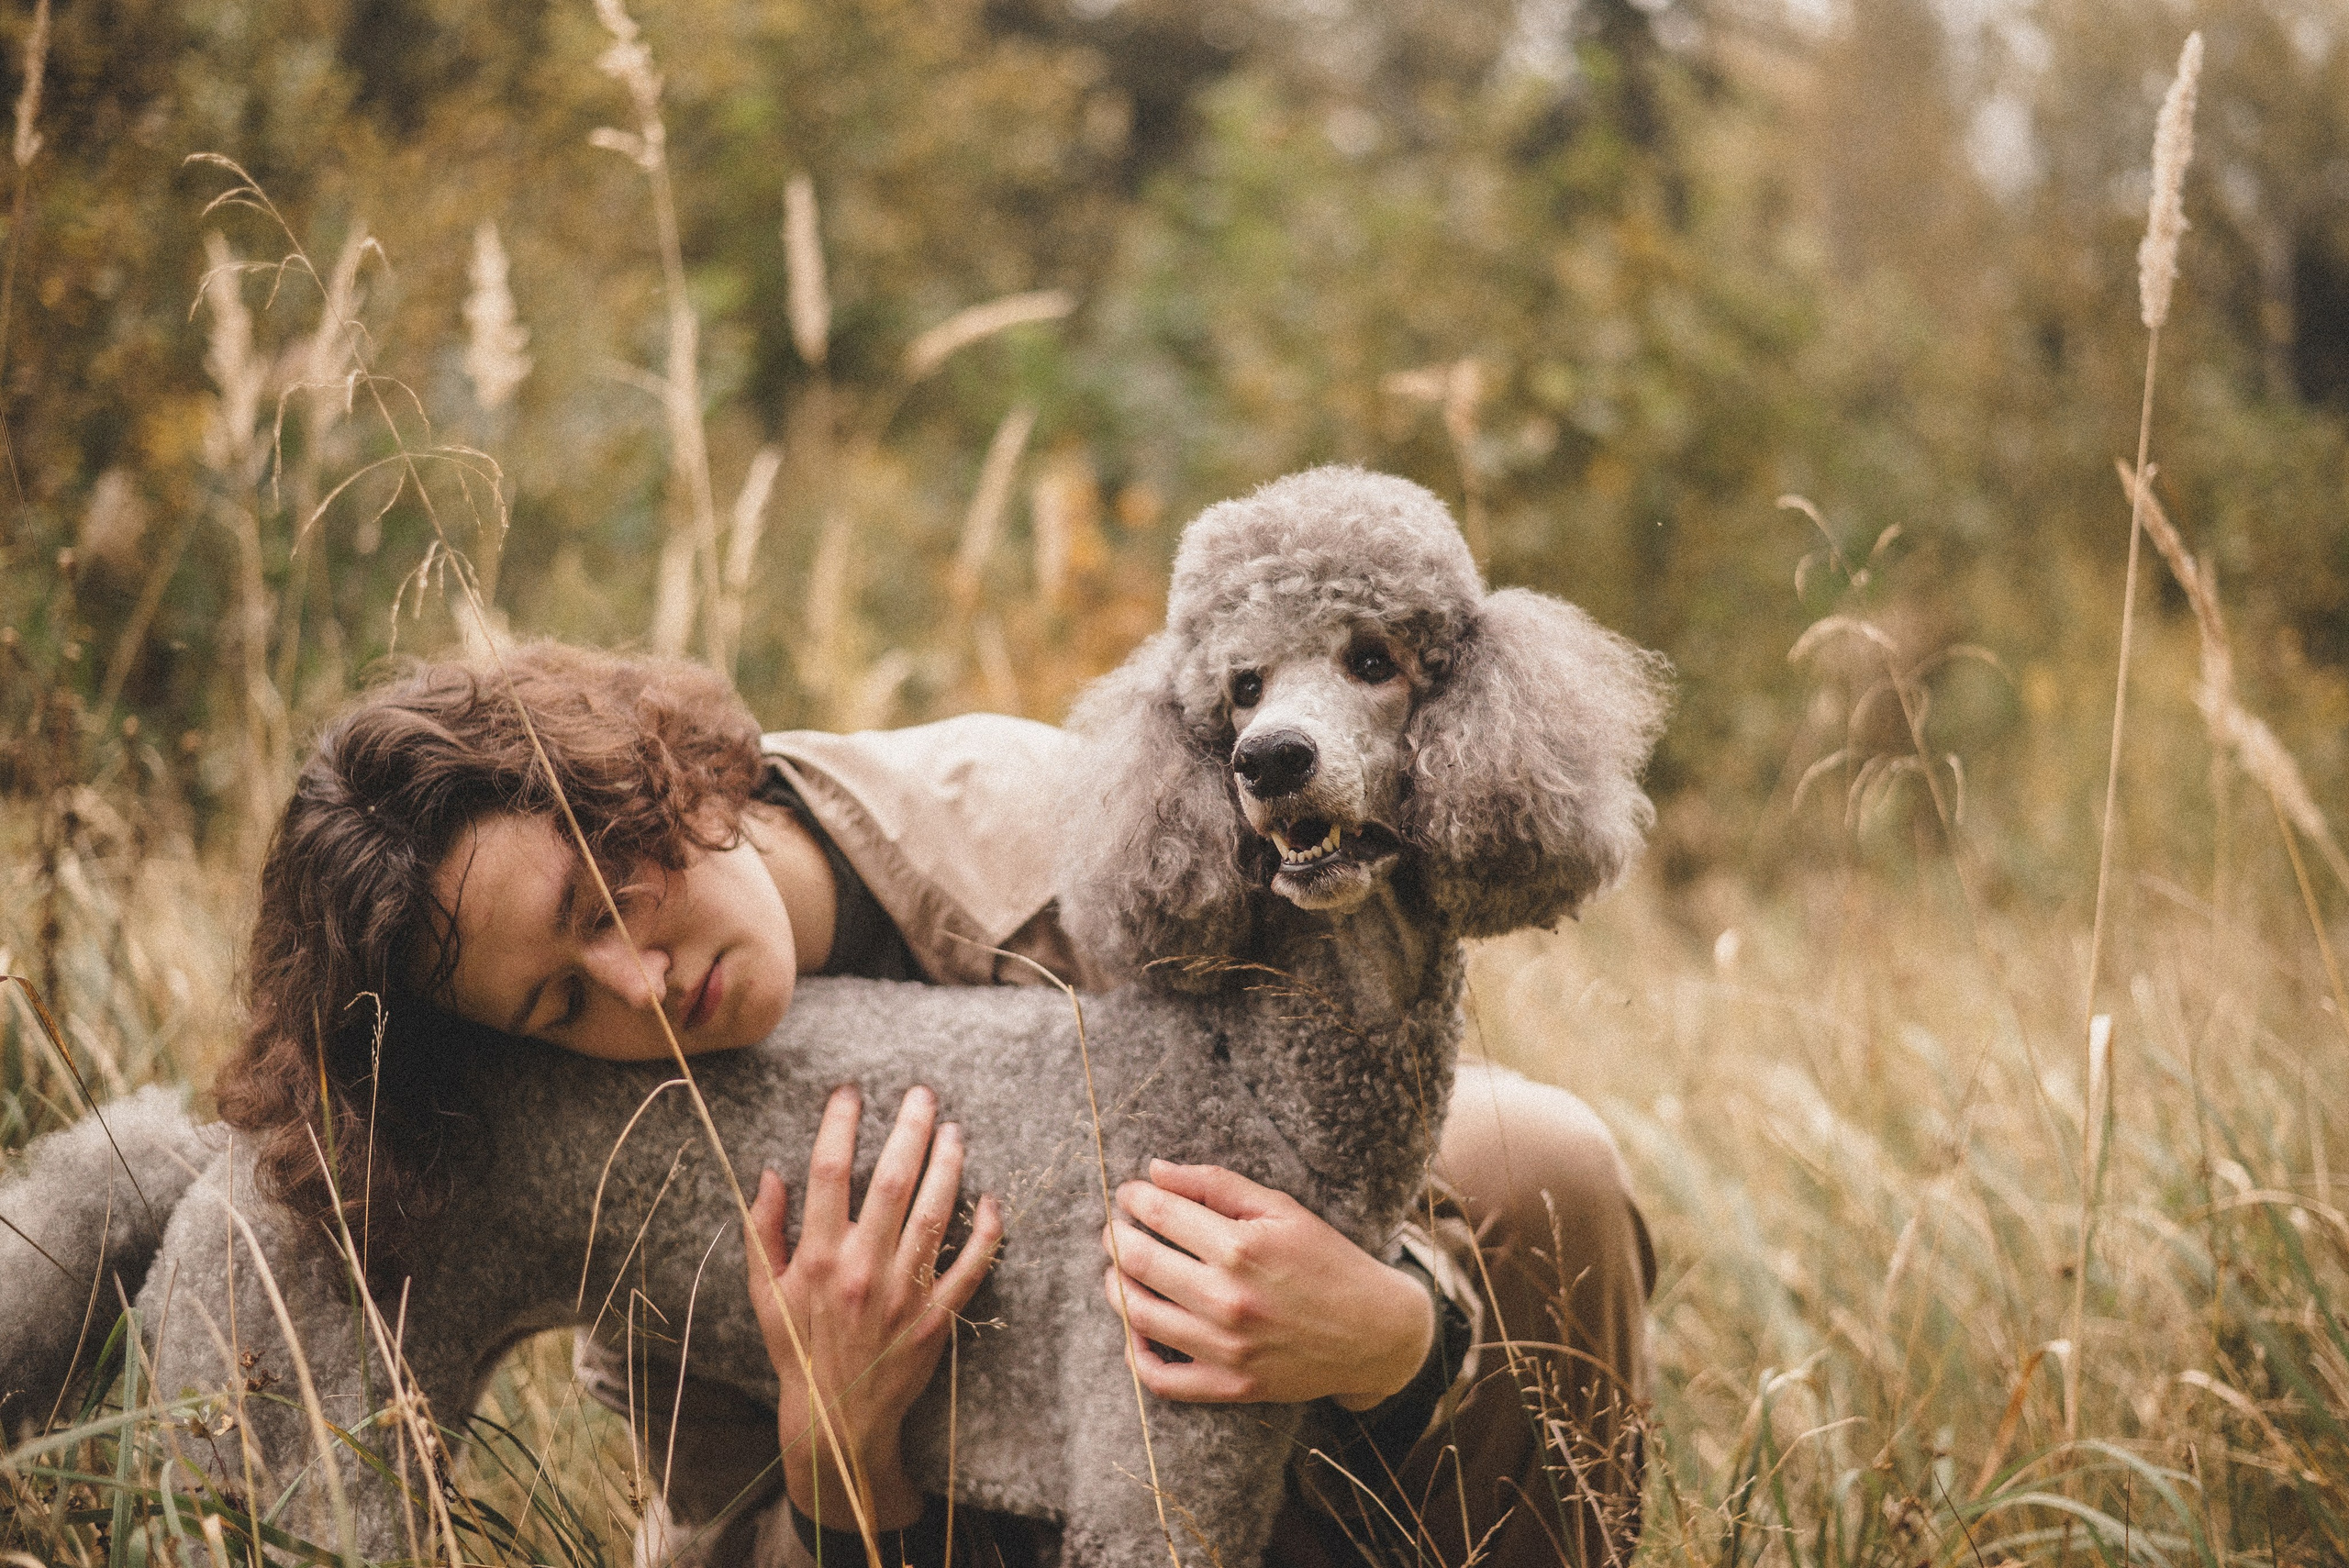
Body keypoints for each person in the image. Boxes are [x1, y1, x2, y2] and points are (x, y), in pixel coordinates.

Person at [212, 640, 1653, 1568]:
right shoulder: (627, 1116)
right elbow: (715, 1532)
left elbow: (1387, 1138)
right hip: (949, 1531)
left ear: (640, 770)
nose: (637, 984)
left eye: (608, 894)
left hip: (1282, 1427)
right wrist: (834, 1453)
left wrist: (1392, 1333)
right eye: (556, 1000)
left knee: (1542, 1159)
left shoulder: (1062, 829)